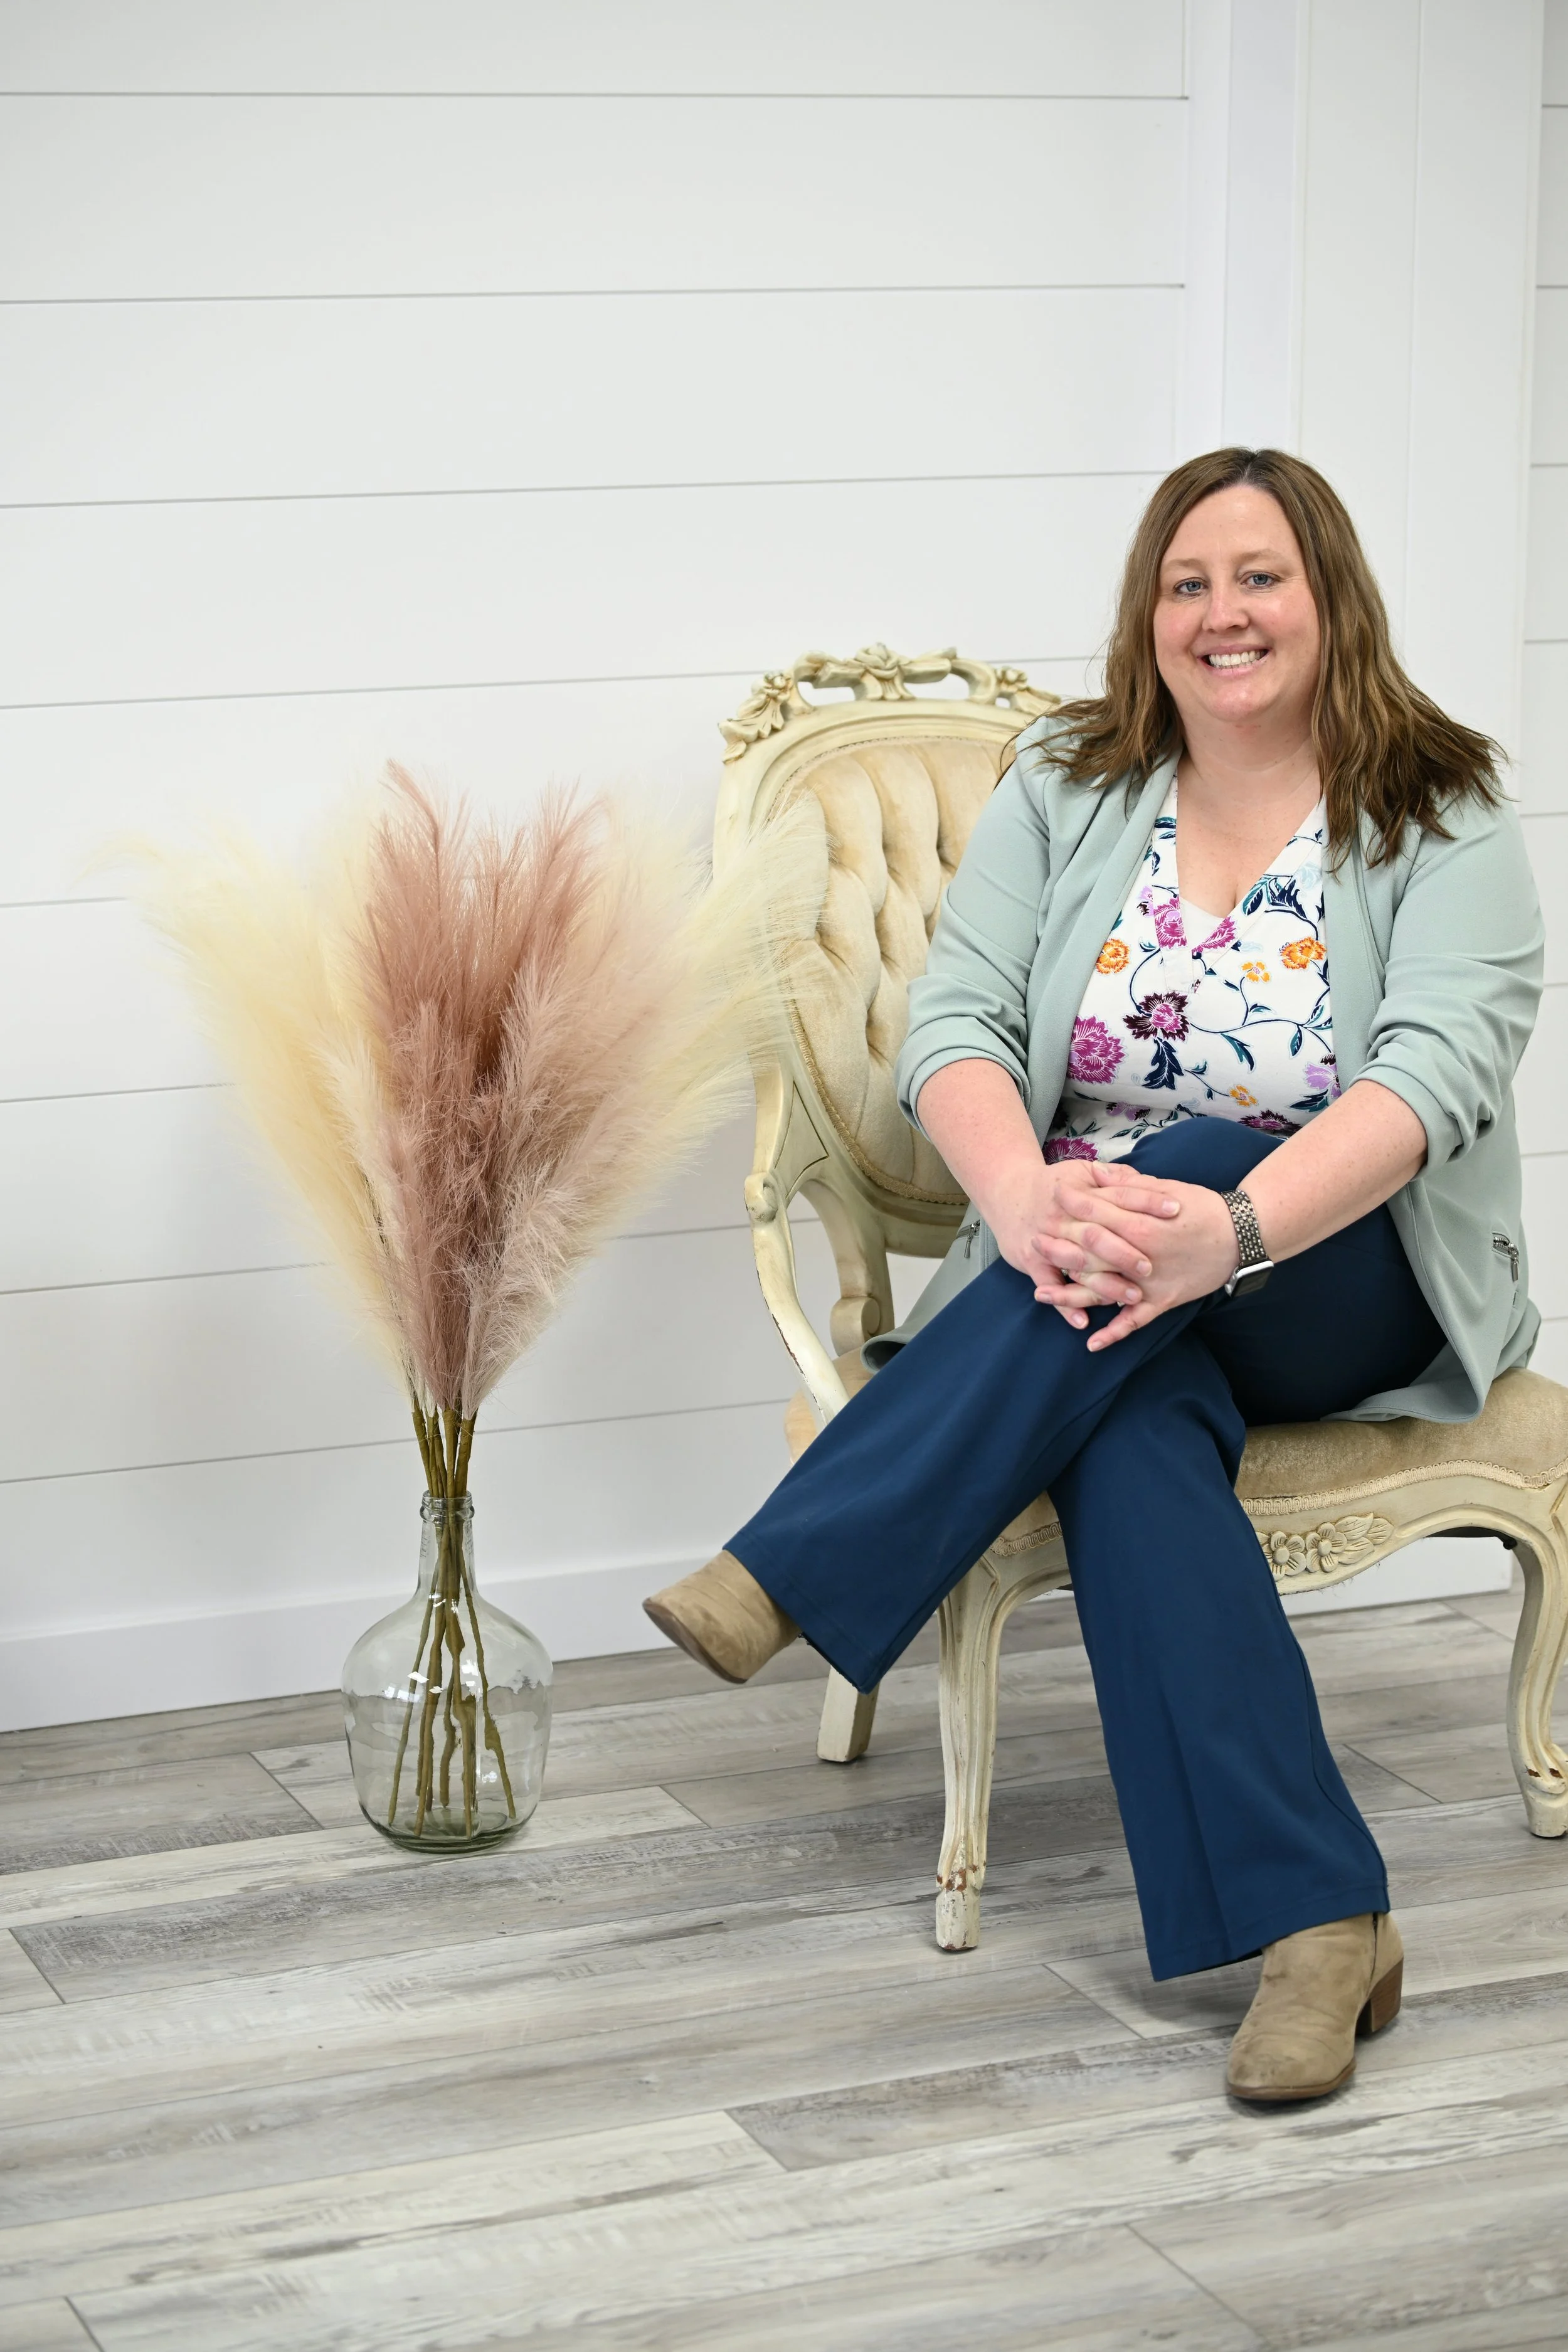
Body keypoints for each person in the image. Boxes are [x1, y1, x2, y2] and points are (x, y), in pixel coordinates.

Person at [645, 447, 1544, 2105]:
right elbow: (958, 1024)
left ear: (1328, 593)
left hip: (1341, 1266)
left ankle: (810, 1548)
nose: (1221, 612)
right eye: (1184, 580)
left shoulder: (1442, 803)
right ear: (1148, 613)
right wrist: (1021, 1189)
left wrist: (1229, 1223)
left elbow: (1431, 1079)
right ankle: (1321, 1920)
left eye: (1258, 575)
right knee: (1132, 1429)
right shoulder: (1069, 783)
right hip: (1090, 1288)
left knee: (1191, 1164)